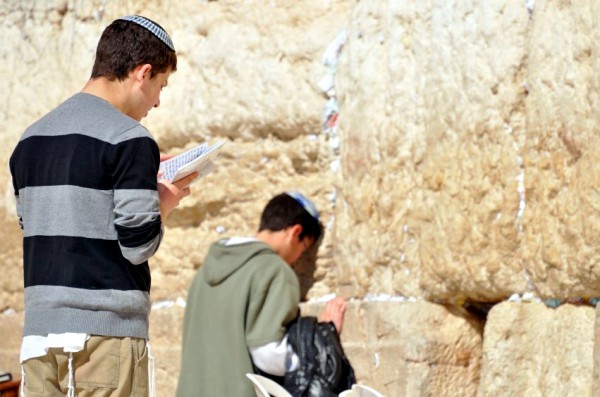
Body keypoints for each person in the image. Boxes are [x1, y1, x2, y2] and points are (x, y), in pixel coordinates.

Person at [9, 15, 196, 397]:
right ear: (143, 73)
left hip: (39, 341)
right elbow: (138, 244)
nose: (158, 102)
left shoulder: (29, 141)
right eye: (160, 85)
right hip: (106, 340)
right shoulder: (130, 139)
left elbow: (40, 225)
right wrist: (163, 200)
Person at [176, 192, 354, 397]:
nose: (298, 260)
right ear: (296, 232)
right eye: (304, 251)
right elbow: (268, 355)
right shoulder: (275, 270)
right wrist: (321, 338)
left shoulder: (204, 273)